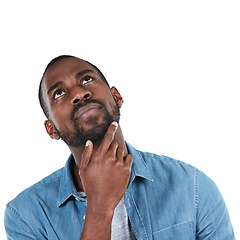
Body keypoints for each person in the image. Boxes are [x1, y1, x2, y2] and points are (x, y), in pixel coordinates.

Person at [4, 55, 235, 240]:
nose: (78, 93)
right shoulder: (26, 216)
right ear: (51, 129)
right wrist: (99, 208)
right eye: (59, 93)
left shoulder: (192, 187)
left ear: (116, 97)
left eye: (86, 79)